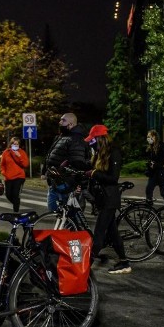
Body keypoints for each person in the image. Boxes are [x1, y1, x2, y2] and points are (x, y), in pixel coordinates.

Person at [83, 125, 132, 275]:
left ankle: (84, 269)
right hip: (102, 199)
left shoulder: (114, 152)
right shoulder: (98, 152)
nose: (91, 143)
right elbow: (91, 171)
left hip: (109, 199)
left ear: (100, 138)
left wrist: (95, 174)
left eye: (93, 140)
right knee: (113, 233)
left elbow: (113, 178)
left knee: (98, 234)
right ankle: (124, 263)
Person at [44, 113, 90, 211]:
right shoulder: (60, 137)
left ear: (71, 124)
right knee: (54, 210)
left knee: (69, 215)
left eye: (63, 120)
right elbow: (51, 154)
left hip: (66, 183)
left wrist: (74, 182)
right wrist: (46, 171)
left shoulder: (76, 139)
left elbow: (78, 162)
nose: (60, 122)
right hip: (55, 181)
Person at [0, 136, 28, 213]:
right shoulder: (6, 152)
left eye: (17, 144)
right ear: (11, 144)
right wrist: (4, 173)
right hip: (8, 177)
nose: (15, 146)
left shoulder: (22, 152)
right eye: (14, 144)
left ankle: (16, 211)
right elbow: (2, 165)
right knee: (8, 194)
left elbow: (25, 165)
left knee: (15, 194)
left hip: (19, 177)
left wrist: (19, 156)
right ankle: (16, 203)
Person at [145, 129, 164, 205]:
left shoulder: (162, 147)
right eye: (147, 137)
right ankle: (149, 208)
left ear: (154, 136)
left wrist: (155, 164)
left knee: (163, 192)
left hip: (161, 173)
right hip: (153, 173)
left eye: (149, 137)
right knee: (149, 189)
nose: (148, 139)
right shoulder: (151, 147)